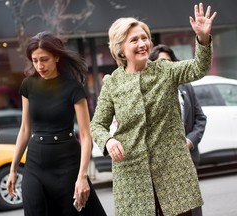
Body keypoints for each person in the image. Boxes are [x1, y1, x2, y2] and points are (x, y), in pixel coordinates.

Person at [90, 2, 217, 216]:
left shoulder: (166, 70)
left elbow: (199, 68)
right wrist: (108, 141)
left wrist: (203, 39)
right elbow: (97, 125)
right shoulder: (113, 83)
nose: (142, 44)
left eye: (144, 37)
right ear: (120, 47)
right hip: (131, 174)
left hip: (173, 171)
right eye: (134, 40)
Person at [6, 31, 106, 216]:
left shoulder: (73, 88)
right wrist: (13, 169)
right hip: (35, 162)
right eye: (35, 60)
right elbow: (25, 129)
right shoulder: (28, 85)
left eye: (44, 59)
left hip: (67, 163)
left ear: (57, 56)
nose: (39, 66)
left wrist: (82, 176)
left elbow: (85, 135)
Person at [149, 44, 207, 216]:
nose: (165, 65)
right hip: (161, 162)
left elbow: (200, 118)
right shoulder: (150, 91)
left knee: (191, 208)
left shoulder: (185, 86)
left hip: (186, 158)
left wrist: (190, 141)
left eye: (168, 61)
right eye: (160, 62)